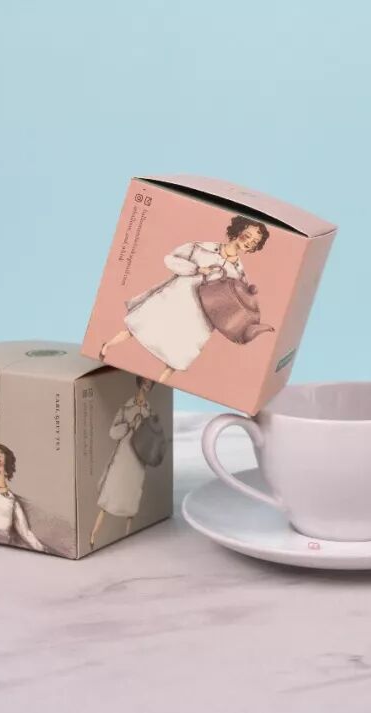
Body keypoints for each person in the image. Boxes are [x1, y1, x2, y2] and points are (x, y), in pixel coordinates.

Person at [98, 215, 270, 383]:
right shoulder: (201, 248)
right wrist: (196, 269)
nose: (249, 242)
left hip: (201, 317)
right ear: (238, 230)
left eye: (254, 242)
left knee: (179, 353)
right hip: (176, 297)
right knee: (141, 326)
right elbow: (170, 260)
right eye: (248, 235)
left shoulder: (239, 274)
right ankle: (107, 347)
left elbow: (235, 304)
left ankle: (156, 385)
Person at [89, 377, 156, 548]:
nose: (148, 385)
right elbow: (113, 432)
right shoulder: (126, 408)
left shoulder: (149, 411)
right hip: (123, 456)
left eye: (150, 383)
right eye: (146, 382)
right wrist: (128, 425)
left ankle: (127, 536)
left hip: (138, 460)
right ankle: (93, 536)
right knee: (109, 497)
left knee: (131, 500)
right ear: (140, 382)